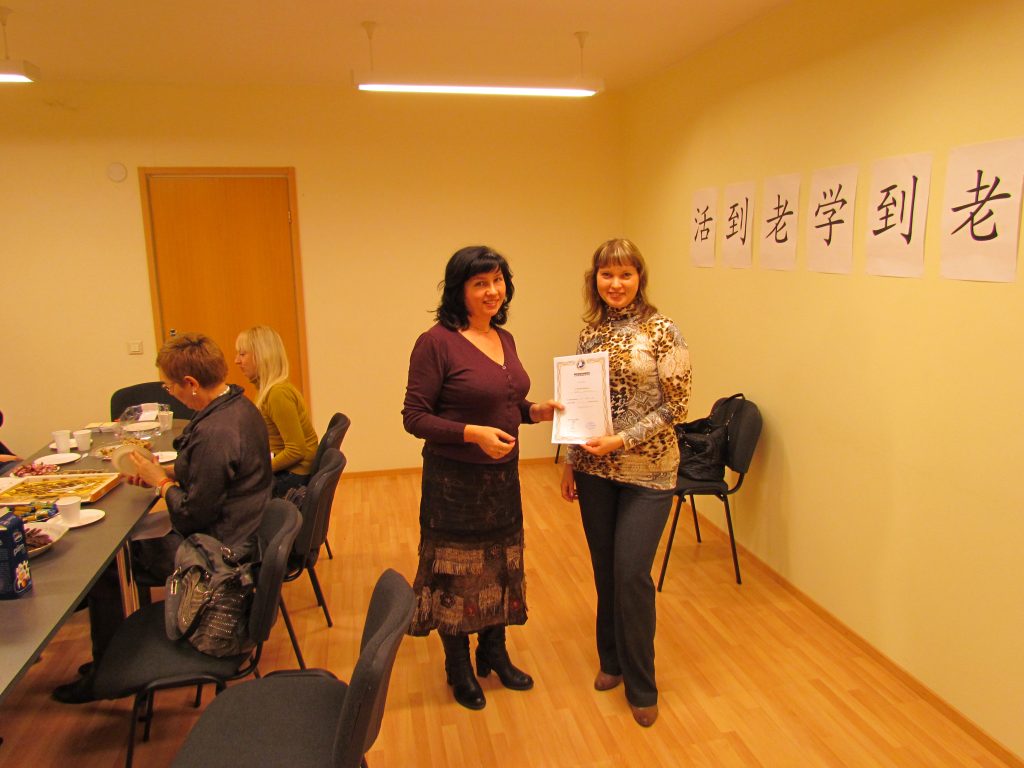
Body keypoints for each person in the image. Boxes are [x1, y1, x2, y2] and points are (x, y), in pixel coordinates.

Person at [53, 333, 272, 704]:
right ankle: (114, 658)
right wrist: (165, 475)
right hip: (238, 531)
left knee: (107, 567)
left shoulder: (216, 432)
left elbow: (191, 517)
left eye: (170, 388)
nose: (171, 394)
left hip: (218, 555)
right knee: (127, 546)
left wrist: (161, 484)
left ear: (190, 383)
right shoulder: (238, 406)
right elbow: (214, 478)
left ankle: (106, 674)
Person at [402, 245, 560, 711]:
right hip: (455, 484)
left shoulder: (503, 337)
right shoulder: (436, 342)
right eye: (480, 283)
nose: (492, 291)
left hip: (501, 480)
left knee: (500, 568)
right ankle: (458, 666)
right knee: (457, 576)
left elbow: (506, 403)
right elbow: (414, 417)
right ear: (459, 290)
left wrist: (535, 411)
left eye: (498, 281)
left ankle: (494, 652)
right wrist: (471, 434)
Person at [559, 238, 691, 728]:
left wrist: (622, 440)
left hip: (649, 474)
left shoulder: (662, 330)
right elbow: (581, 405)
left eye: (625, 274)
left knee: (631, 573)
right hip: (595, 472)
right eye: (607, 274)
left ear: (640, 278)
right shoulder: (589, 335)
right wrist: (571, 460)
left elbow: (677, 407)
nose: (615, 284)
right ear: (595, 280)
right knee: (605, 570)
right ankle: (610, 660)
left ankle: (642, 684)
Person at [235, 325, 319, 498]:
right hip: (291, 471)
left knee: (232, 495)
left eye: (242, 354)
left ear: (261, 356)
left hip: (293, 476)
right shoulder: (269, 390)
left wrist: (260, 470)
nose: (237, 361)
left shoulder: (277, 394)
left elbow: (296, 450)